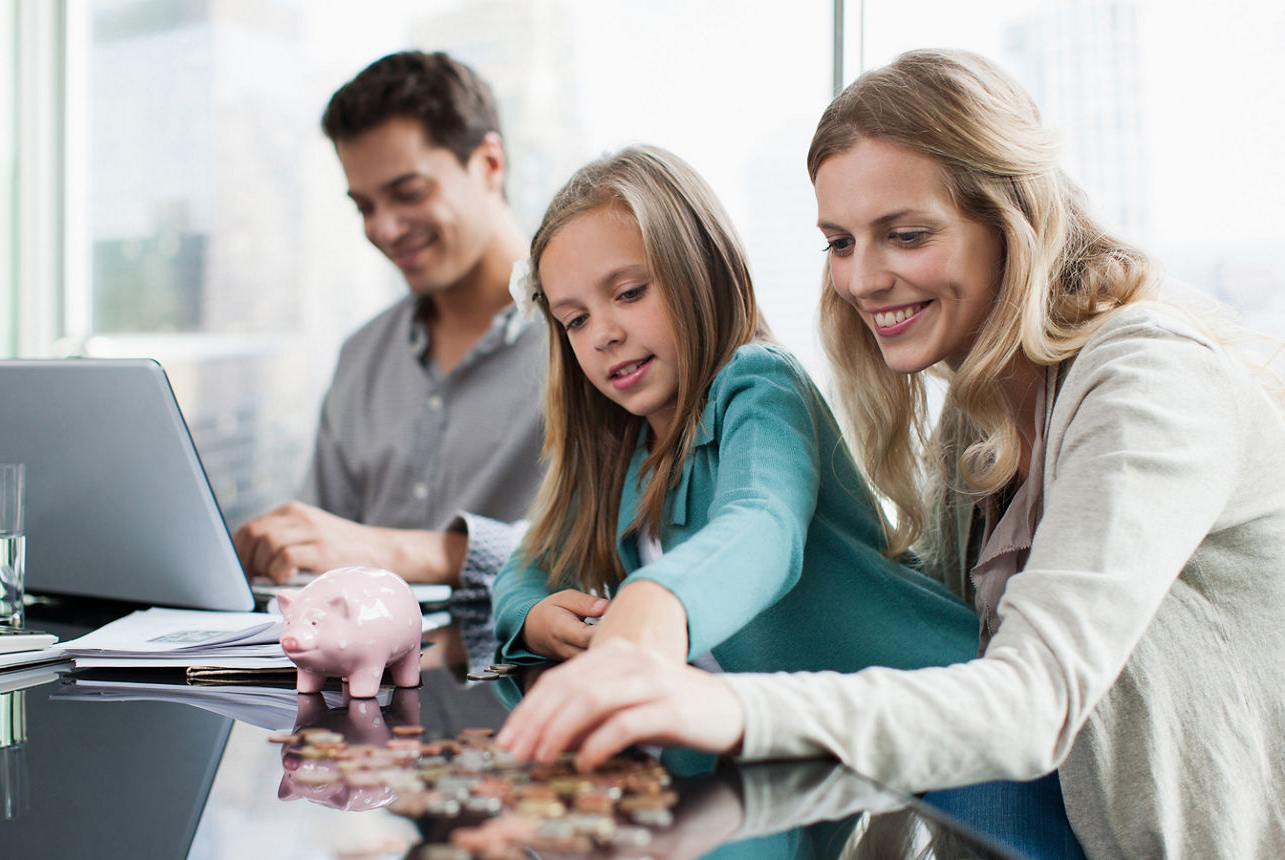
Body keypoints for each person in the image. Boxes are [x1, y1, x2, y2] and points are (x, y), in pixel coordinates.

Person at [495, 50, 1285, 859]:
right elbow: (931, 717)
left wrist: (720, 703)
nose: (863, 279)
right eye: (839, 243)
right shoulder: (976, 429)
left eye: (905, 236)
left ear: (1011, 218)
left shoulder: (1149, 381)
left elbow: (1030, 701)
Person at [491, 145, 977, 681]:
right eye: (576, 320)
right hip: (791, 753)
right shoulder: (618, 448)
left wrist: (658, 600)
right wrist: (533, 617)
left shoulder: (760, 384)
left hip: (936, 721)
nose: (605, 334)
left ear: (701, 273)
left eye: (629, 294)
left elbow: (762, 524)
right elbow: (526, 565)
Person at [232, 51, 545, 664]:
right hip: (363, 717)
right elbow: (320, 560)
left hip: (524, 704)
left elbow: (619, 552)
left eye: (407, 193)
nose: (384, 227)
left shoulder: (588, 339)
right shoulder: (361, 358)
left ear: (489, 164)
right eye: (364, 206)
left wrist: (393, 551)